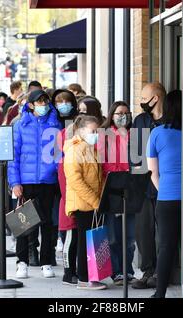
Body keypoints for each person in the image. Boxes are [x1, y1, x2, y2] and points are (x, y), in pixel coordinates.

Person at [8, 89, 62, 279]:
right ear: (30, 105)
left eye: (45, 102)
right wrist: (14, 182)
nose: (43, 105)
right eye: (39, 102)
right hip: (27, 181)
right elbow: (13, 156)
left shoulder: (55, 124)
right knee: (24, 224)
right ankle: (21, 262)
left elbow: (59, 154)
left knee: (47, 224)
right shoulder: (21, 125)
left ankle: (46, 262)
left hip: (48, 181)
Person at [130, 82, 166, 290]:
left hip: (165, 184)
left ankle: (162, 272)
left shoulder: (171, 120)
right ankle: (147, 271)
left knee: (164, 232)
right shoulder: (141, 120)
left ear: (156, 99)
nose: (141, 102)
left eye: (144, 98)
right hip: (143, 185)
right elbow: (134, 153)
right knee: (143, 232)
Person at [146, 90, 182, 298]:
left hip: (167, 198)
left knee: (166, 246)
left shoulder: (157, 133)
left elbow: (153, 173)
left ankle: (160, 293)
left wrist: (165, 190)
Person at [63, 115, 106, 290]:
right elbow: (75, 180)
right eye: (93, 131)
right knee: (84, 241)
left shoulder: (90, 148)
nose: (96, 134)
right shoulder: (75, 149)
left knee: (91, 241)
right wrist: (96, 200)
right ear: (80, 131)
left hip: (93, 203)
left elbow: (99, 176)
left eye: (97, 131)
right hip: (83, 203)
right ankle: (84, 278)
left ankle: (91, 276)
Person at [100, 101, 135, 285]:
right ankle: (116, 272)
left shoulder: (135, 136)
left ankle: (128, 270)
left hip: (130, 190)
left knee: (129, 237)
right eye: (119, 112)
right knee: (112, 237)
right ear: (112, 115)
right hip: (111, 190)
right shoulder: (103, 136)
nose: (123, 116)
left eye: (126, 112)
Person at [52, 89, 79, 285]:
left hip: (78, 200)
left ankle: (75, 272)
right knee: (69, 235)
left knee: (75, 237)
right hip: (68, 200)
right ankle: (69, 273)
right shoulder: (64, 161)